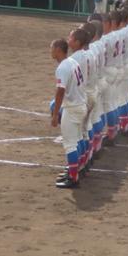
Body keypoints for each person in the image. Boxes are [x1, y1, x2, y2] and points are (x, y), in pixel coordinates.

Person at [50, 36, 86, 189]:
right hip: (80, 105)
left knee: (70, 144)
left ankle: (73, 178)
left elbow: (60, 91)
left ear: (58, 50)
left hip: (72, 109)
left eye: (52, 48)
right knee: (78, 139)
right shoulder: (72, 62)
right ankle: (76, 169)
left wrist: (55, 114)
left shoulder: (63, 67)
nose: (50, 51)